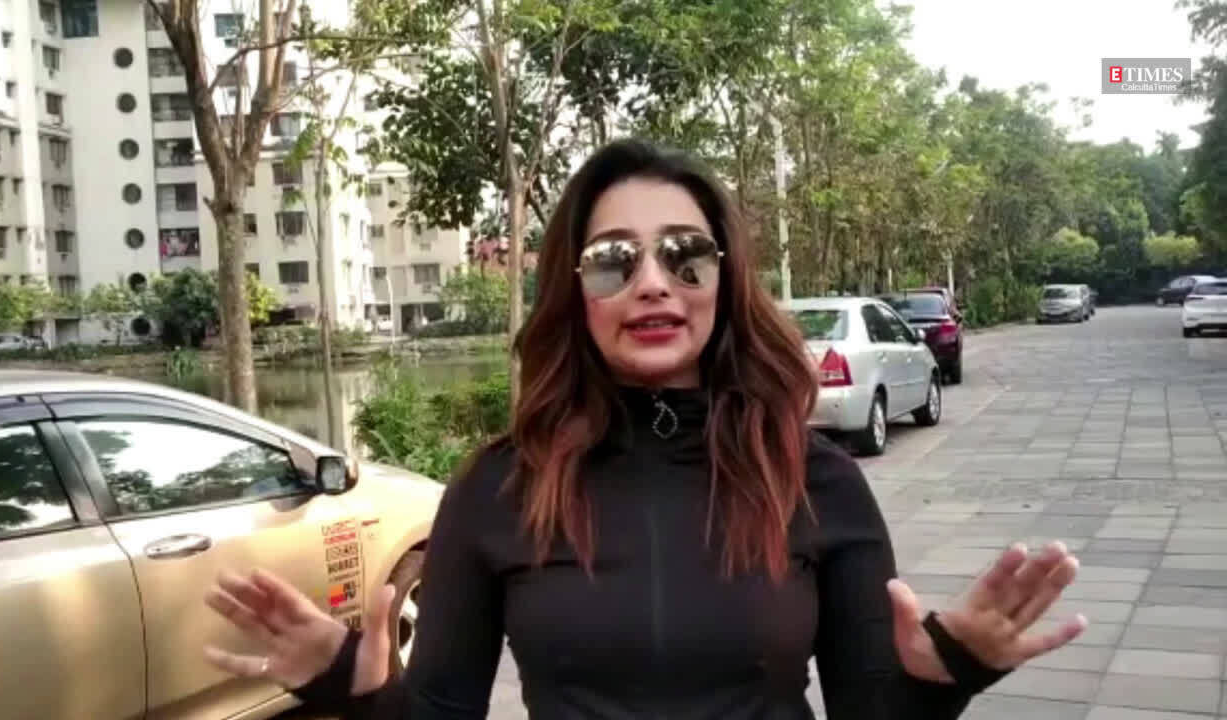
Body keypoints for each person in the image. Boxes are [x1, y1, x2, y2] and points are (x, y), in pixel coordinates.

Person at [202, 139, 1086, 719]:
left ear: (724, 281)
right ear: (574, 291)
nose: (653, 281)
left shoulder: (815, 480)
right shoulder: (500, 487)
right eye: (613, 260)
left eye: (685, 253)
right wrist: (351, 687)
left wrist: (947, 673)